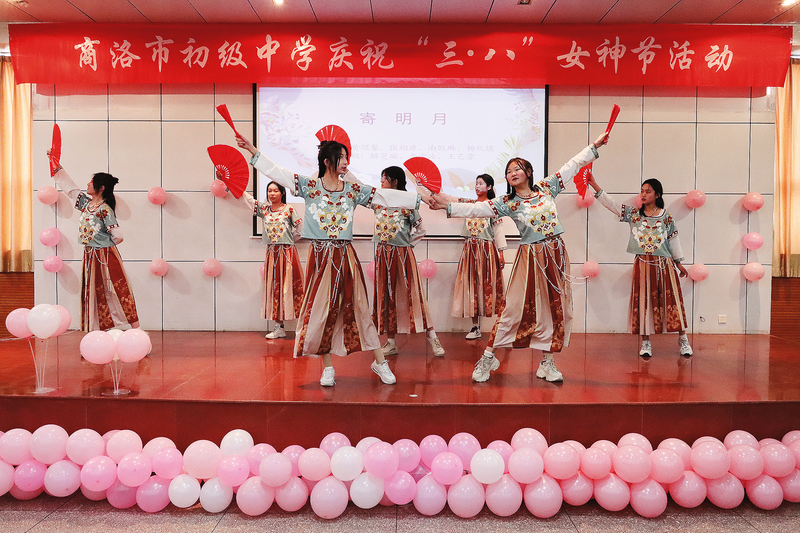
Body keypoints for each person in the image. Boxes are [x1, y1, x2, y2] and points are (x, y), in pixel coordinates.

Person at [235, 134, 421, 387]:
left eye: (346, 157)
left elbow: (383, 196)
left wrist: (420, 199)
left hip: (345, 256)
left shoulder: (352, 190)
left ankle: (380, 362)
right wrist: (253, 150)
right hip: (320, 256)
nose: (346, 162)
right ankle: (328, 368)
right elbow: (280, 173)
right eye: (341, 157)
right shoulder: (310, 186)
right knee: (320, 310)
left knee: (360, 308)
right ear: (327, 161)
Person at [430, 131, 609, 383]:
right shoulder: (507, 202)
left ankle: (547, 363)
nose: (512, 173)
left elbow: (572, 165)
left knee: (556, 308)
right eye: (509, 171)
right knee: (513, 308)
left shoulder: (547, 188)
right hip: (530, 257)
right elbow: (477, 208)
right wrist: (446, 206)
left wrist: (594, 146)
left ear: (529, 172)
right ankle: (489, 356)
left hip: (555, 253)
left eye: (517, 168)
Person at [587, 175, 692, 357]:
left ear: (657, 195)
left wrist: (679, 263)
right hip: (643, 265)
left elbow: (673, 239)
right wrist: (595, 185)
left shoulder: (666, 217)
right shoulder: (634, 215)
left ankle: (683, 340)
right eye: (642, 191)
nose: (643, 194)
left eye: (648, 191)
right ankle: (646, 343)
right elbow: (612, 205)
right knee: (643, 302)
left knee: (672, 302)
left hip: (664, 266)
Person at [48, 155, 139, 332]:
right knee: (94, 290)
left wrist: (103, 244)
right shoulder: (86, 205)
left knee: (116, 288)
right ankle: (99, 329)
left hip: (105, 255)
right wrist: (55, 164)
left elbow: (118, 236)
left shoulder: (104, 209)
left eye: (91, 182)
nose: (88, 184)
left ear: (101, 188)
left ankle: (136, 329)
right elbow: (71, 190)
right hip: (90, 253)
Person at [373, 166, 444, 358]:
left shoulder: (409, 204)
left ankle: (432, 337)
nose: (381, 181)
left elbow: (421, 230)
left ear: (394, 181)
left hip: (403, 256)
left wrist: (406, 245)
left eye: (384, 178)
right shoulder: (378, 202)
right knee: (387, 297)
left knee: (414, 296)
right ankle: (391, 342)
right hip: (382, 255)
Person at [237, 179, 304, 339]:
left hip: (287, 254)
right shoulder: (264, 209)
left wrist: (289, 241)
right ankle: (279, 327)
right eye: (269, 191)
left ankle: (303, 327)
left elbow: (300, 228)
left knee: (293, 288)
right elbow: (247, 199)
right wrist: (229, 182)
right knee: (275, 289)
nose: (272, 194)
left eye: (275, 190)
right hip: (272, 254)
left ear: (282, 193)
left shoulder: (289, 209)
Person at [451, 174, 507, 340]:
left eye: (481, 183)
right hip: (470, 250)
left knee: (487, 286)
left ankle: (501, 326)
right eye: (476, 183)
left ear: (489, 187)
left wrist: (501, 252)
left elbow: (498, 230)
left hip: (486, 250)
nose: (477, 186)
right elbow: (452, 202)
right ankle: (475, 327)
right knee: (471, 286)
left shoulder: (493, 207)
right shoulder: (470, 205)